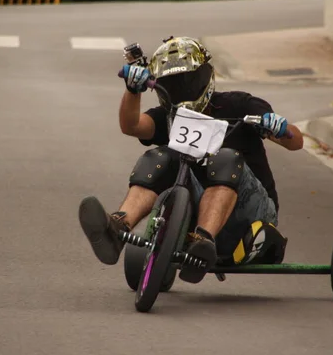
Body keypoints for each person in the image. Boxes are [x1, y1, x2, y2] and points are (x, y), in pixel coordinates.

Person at [78, 36, 303, 284]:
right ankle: (118, 228)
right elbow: (131, 125)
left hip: (252, 214)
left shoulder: (239, 105)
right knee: (159, 157)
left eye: (189, 80)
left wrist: (278, 127)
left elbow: (296, 141)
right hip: (196, 213)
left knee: (224, 158)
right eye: (172, 84)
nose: (182, 89)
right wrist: (133, 90)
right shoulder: (169, 116)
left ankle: (203, 240)